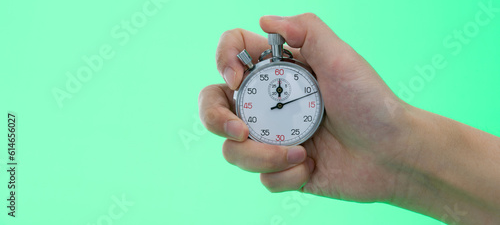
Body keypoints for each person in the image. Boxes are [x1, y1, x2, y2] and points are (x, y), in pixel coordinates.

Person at [198, 13, 500, 225]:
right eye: (274, 101)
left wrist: (400, 149)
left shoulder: (306, 84)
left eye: (285, 97)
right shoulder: (253, 83)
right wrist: (402, 157)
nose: (279, 104)